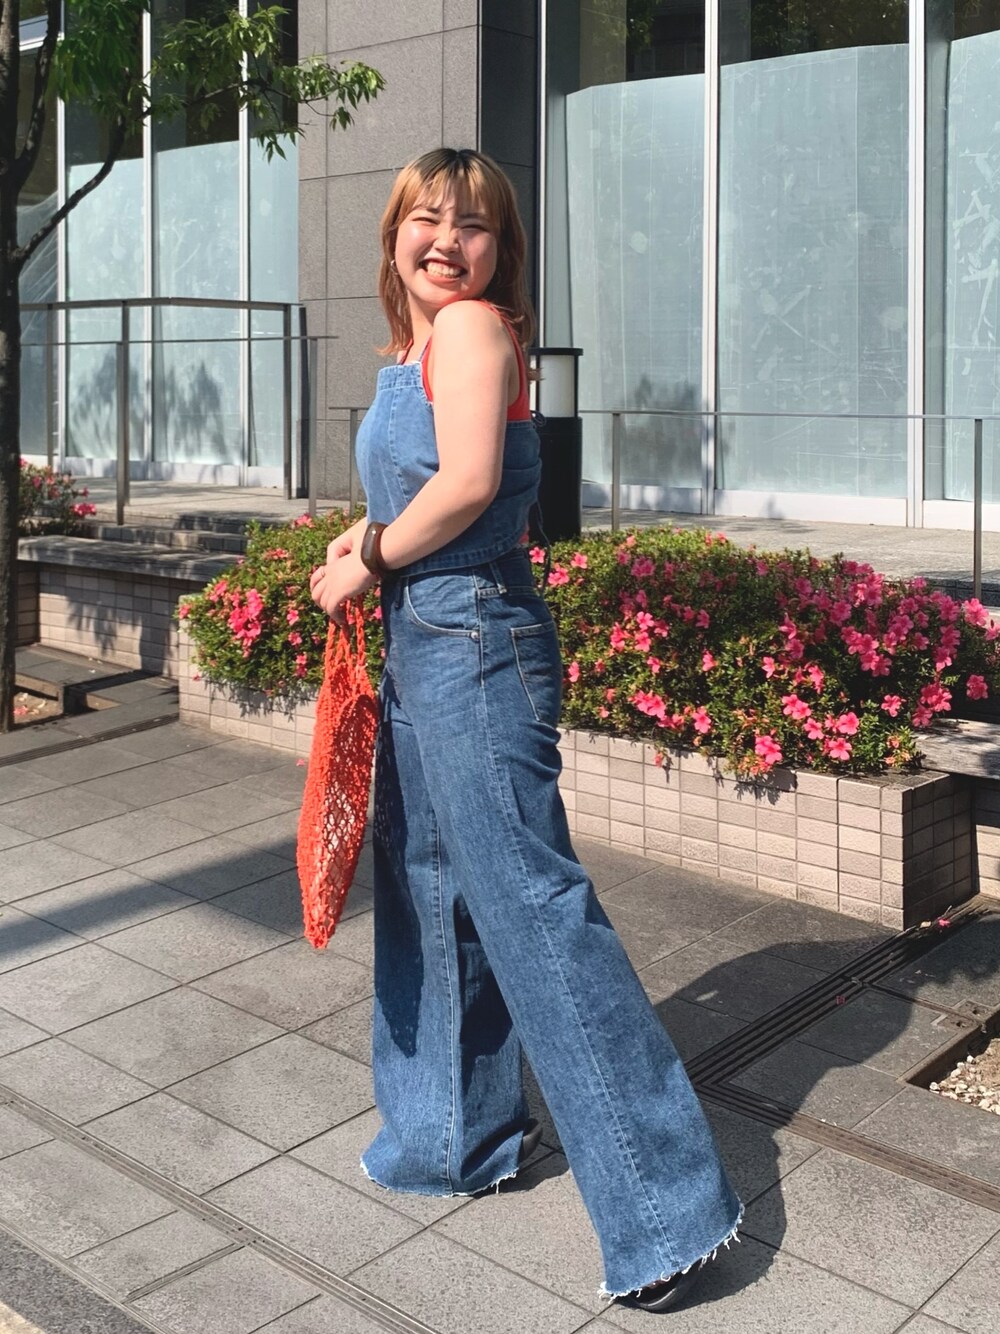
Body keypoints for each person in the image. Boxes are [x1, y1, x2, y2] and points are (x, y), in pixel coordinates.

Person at [309, 147, 741, 1312]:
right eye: (427, 218)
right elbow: (429, 487)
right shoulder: (415, 350)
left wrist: (371, 557)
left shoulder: (469, 330)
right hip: (430, 633)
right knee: (432, 888)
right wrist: (362, 535)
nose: (447, 240)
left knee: (531, 910)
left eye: (474, 225)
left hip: (470, 639)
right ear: (394, 233)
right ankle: (452, 1137)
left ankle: (668, 1214)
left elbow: (465, 486)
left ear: (501, 251)